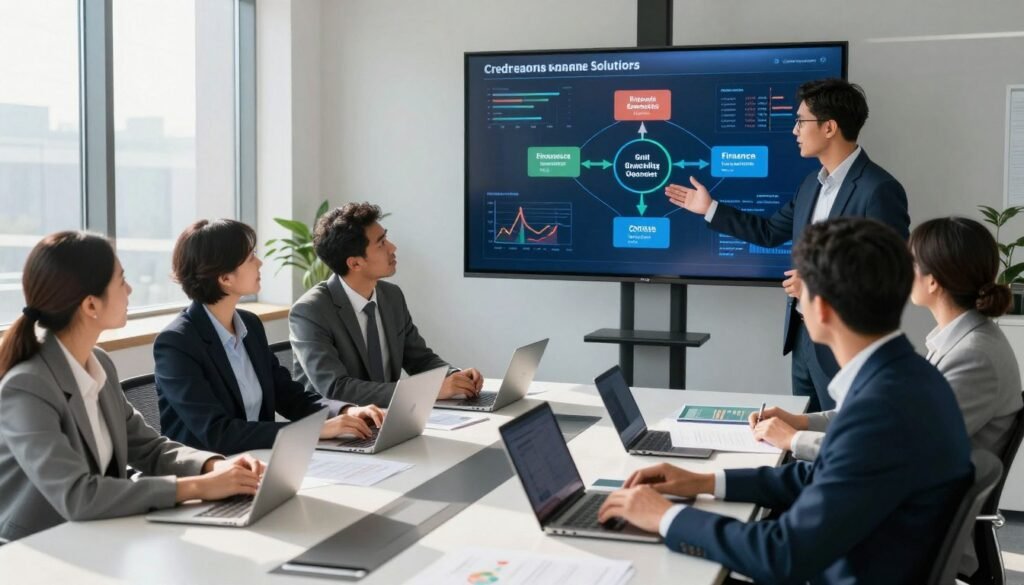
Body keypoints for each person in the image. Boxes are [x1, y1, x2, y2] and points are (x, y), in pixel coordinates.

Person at [597, 218, 972, 584]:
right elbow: (822, 474)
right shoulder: (907, 379)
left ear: (821, 308)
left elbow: (782, 555)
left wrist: (665, 517)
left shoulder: (881, 408)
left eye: (799, 291)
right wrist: (704, 481)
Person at [750, 216, 1023, 578]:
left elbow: (889, 448)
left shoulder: (975, 355)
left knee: (772, 530)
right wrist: (800, 420)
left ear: (933, 280)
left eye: (912, 261)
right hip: (905, 498)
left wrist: (795, 440)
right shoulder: (959, 339)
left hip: (914, 524)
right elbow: (878, 418)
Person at [0, 231, 264, 542]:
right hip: (40, 546)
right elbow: (77, 495)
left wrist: (215, 465)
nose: (129, 289)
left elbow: (149, 448)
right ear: (90, 305)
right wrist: (198, 487)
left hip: (103, 532)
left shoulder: (97, 362)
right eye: (121, 281)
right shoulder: (27, 385)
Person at [665, 78, 909, 412]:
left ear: (829, 127)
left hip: (846, 341)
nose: (794, 130)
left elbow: (889, 273)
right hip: (802, 337)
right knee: (801, 440)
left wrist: (817, 283)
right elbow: (768, 231)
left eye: (801, 121)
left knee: (837, 441)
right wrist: (709, 209)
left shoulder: (878, 189)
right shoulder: (811, 184)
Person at [153, 219, 385, 455]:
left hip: (261, 458)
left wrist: (346, 411)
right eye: (250, 257)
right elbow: (217, 432)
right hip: (210, 473)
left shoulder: (250, 326)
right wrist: (313, 431)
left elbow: (289, 395)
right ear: (224, 278)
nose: (260, 262)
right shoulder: (177, 343)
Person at [289, 202, 483, 407]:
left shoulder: (391, 296)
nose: (392, 247)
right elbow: (336, 388)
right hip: (337, 430)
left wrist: (455, 377)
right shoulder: (310, 311)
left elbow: (420, 359)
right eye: (381, 243)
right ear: (355, 263)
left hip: (390, 420)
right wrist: (427, 390)